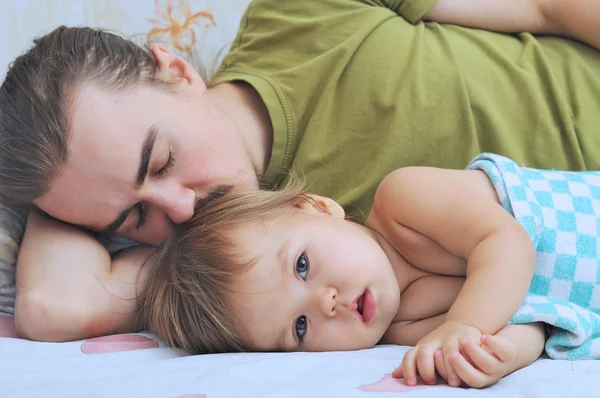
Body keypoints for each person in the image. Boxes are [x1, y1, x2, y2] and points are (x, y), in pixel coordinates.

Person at [1, 0, 600, 341]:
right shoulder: (245, 275)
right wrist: (60, 189)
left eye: (162, 160)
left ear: (179, 72)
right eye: (135, 215)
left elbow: (552, 6)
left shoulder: (298, 15)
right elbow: (55, 306)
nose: (180, 211)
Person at [139, 152, 600, 389]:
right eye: (300, 327)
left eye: (302, 266)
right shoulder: (403, 328)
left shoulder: (404, 199)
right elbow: (533, 315)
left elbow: (507, 247)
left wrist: (463, 327)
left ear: (318, 207)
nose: (326, 302)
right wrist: (493, 352)